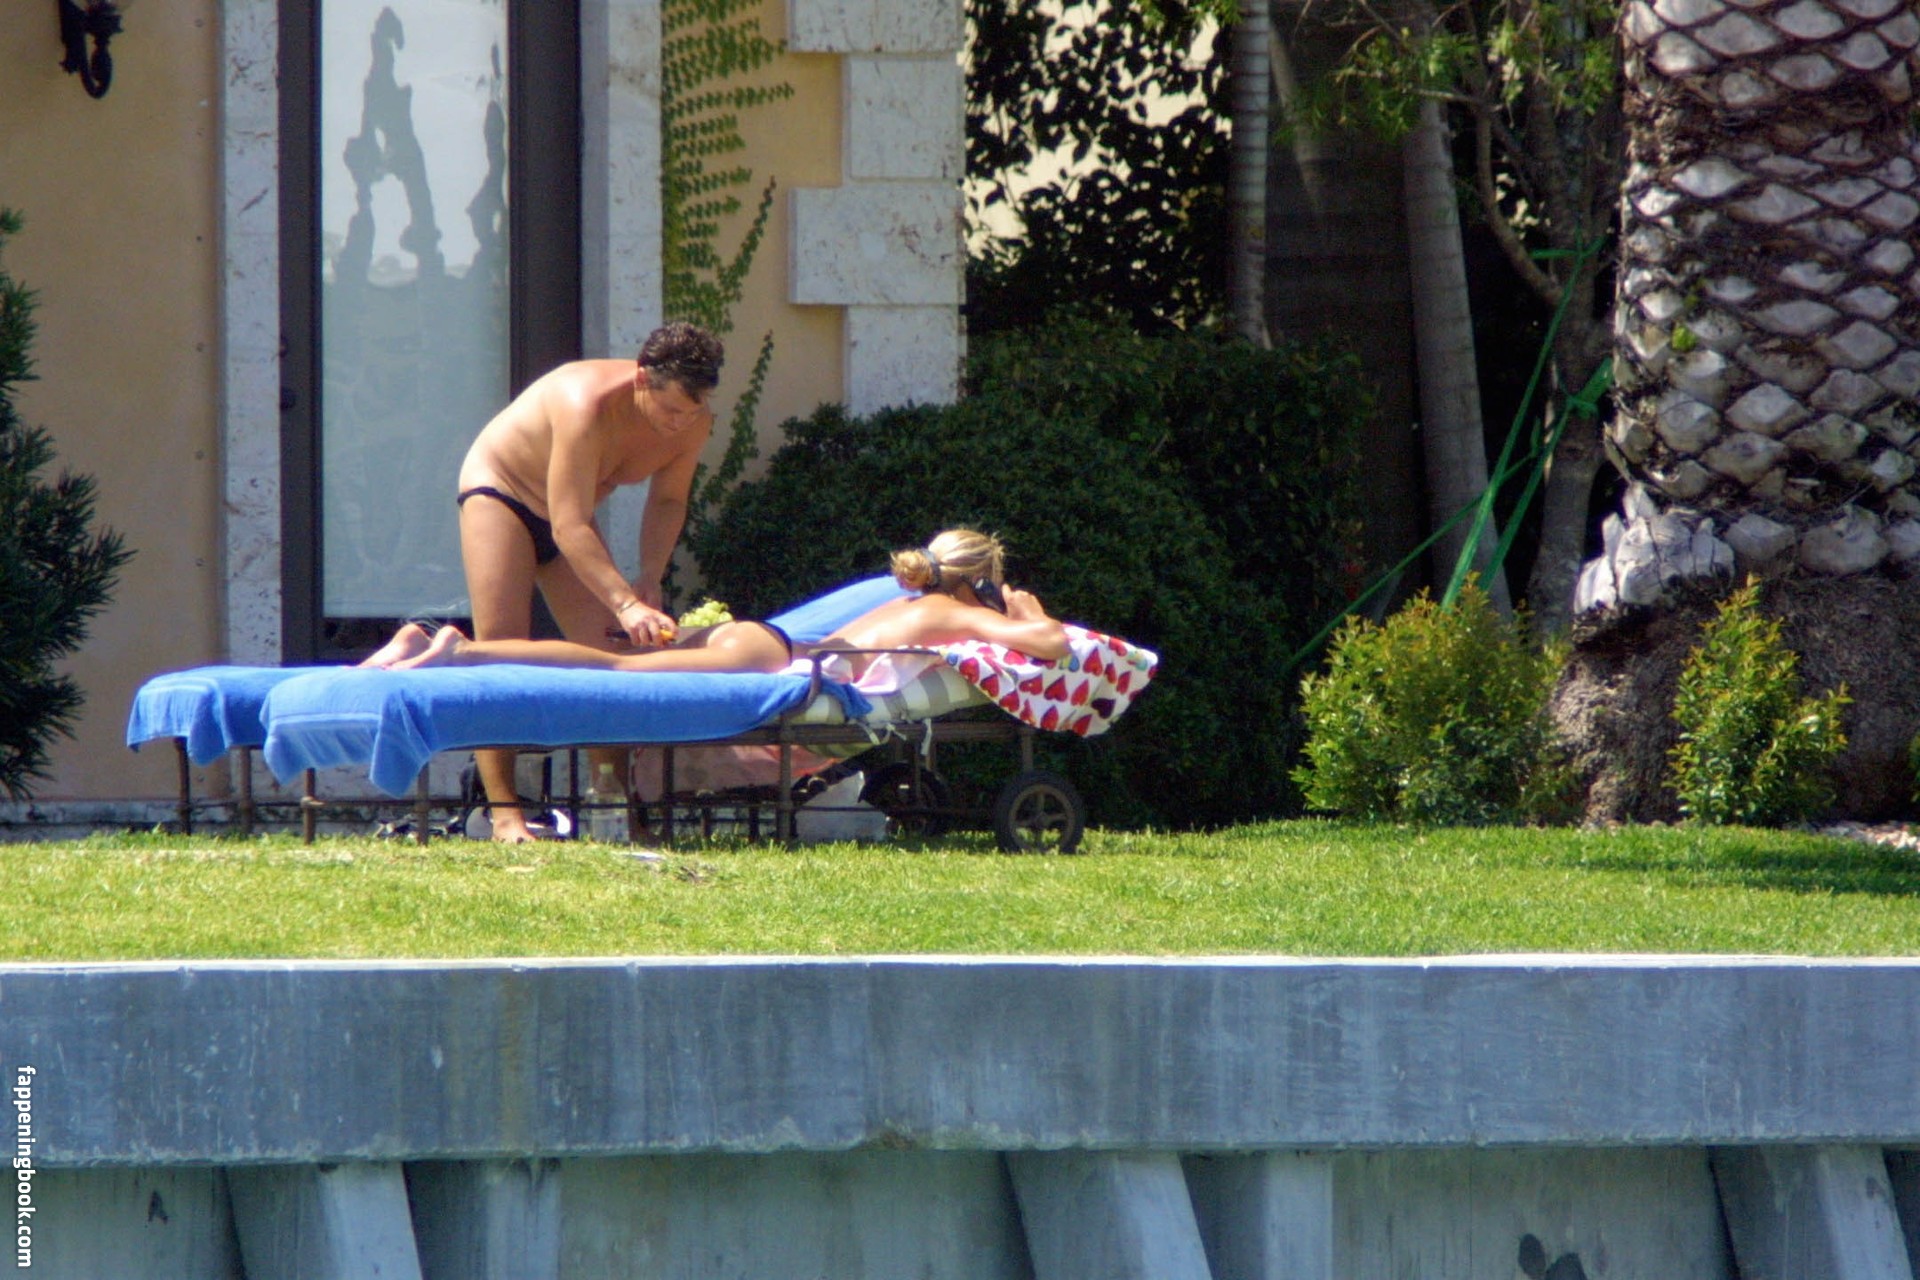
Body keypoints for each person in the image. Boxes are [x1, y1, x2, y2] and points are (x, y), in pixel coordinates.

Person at [452, 321, 723, 841]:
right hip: (503, 491)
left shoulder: (693, 422)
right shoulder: (585, 404)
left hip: (566, 514)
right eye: (670, 409)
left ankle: (614, 809)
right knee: (500, 651)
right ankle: (504, 816)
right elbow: (569, 525)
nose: (678, 423)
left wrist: (649, 576)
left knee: (607, 654)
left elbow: (669, 499)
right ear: (642, 379)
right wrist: (625, 603)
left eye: (691, 412)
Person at [363, 529, 1070, 678]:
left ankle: (427, 637)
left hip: (762, 640)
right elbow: (1055, 646)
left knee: (603, 656)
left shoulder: (911, 600)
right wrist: (1024, 613)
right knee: (611, 670)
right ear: (975, 582)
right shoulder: (956, 611)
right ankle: (462, 650)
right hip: (766, 655)